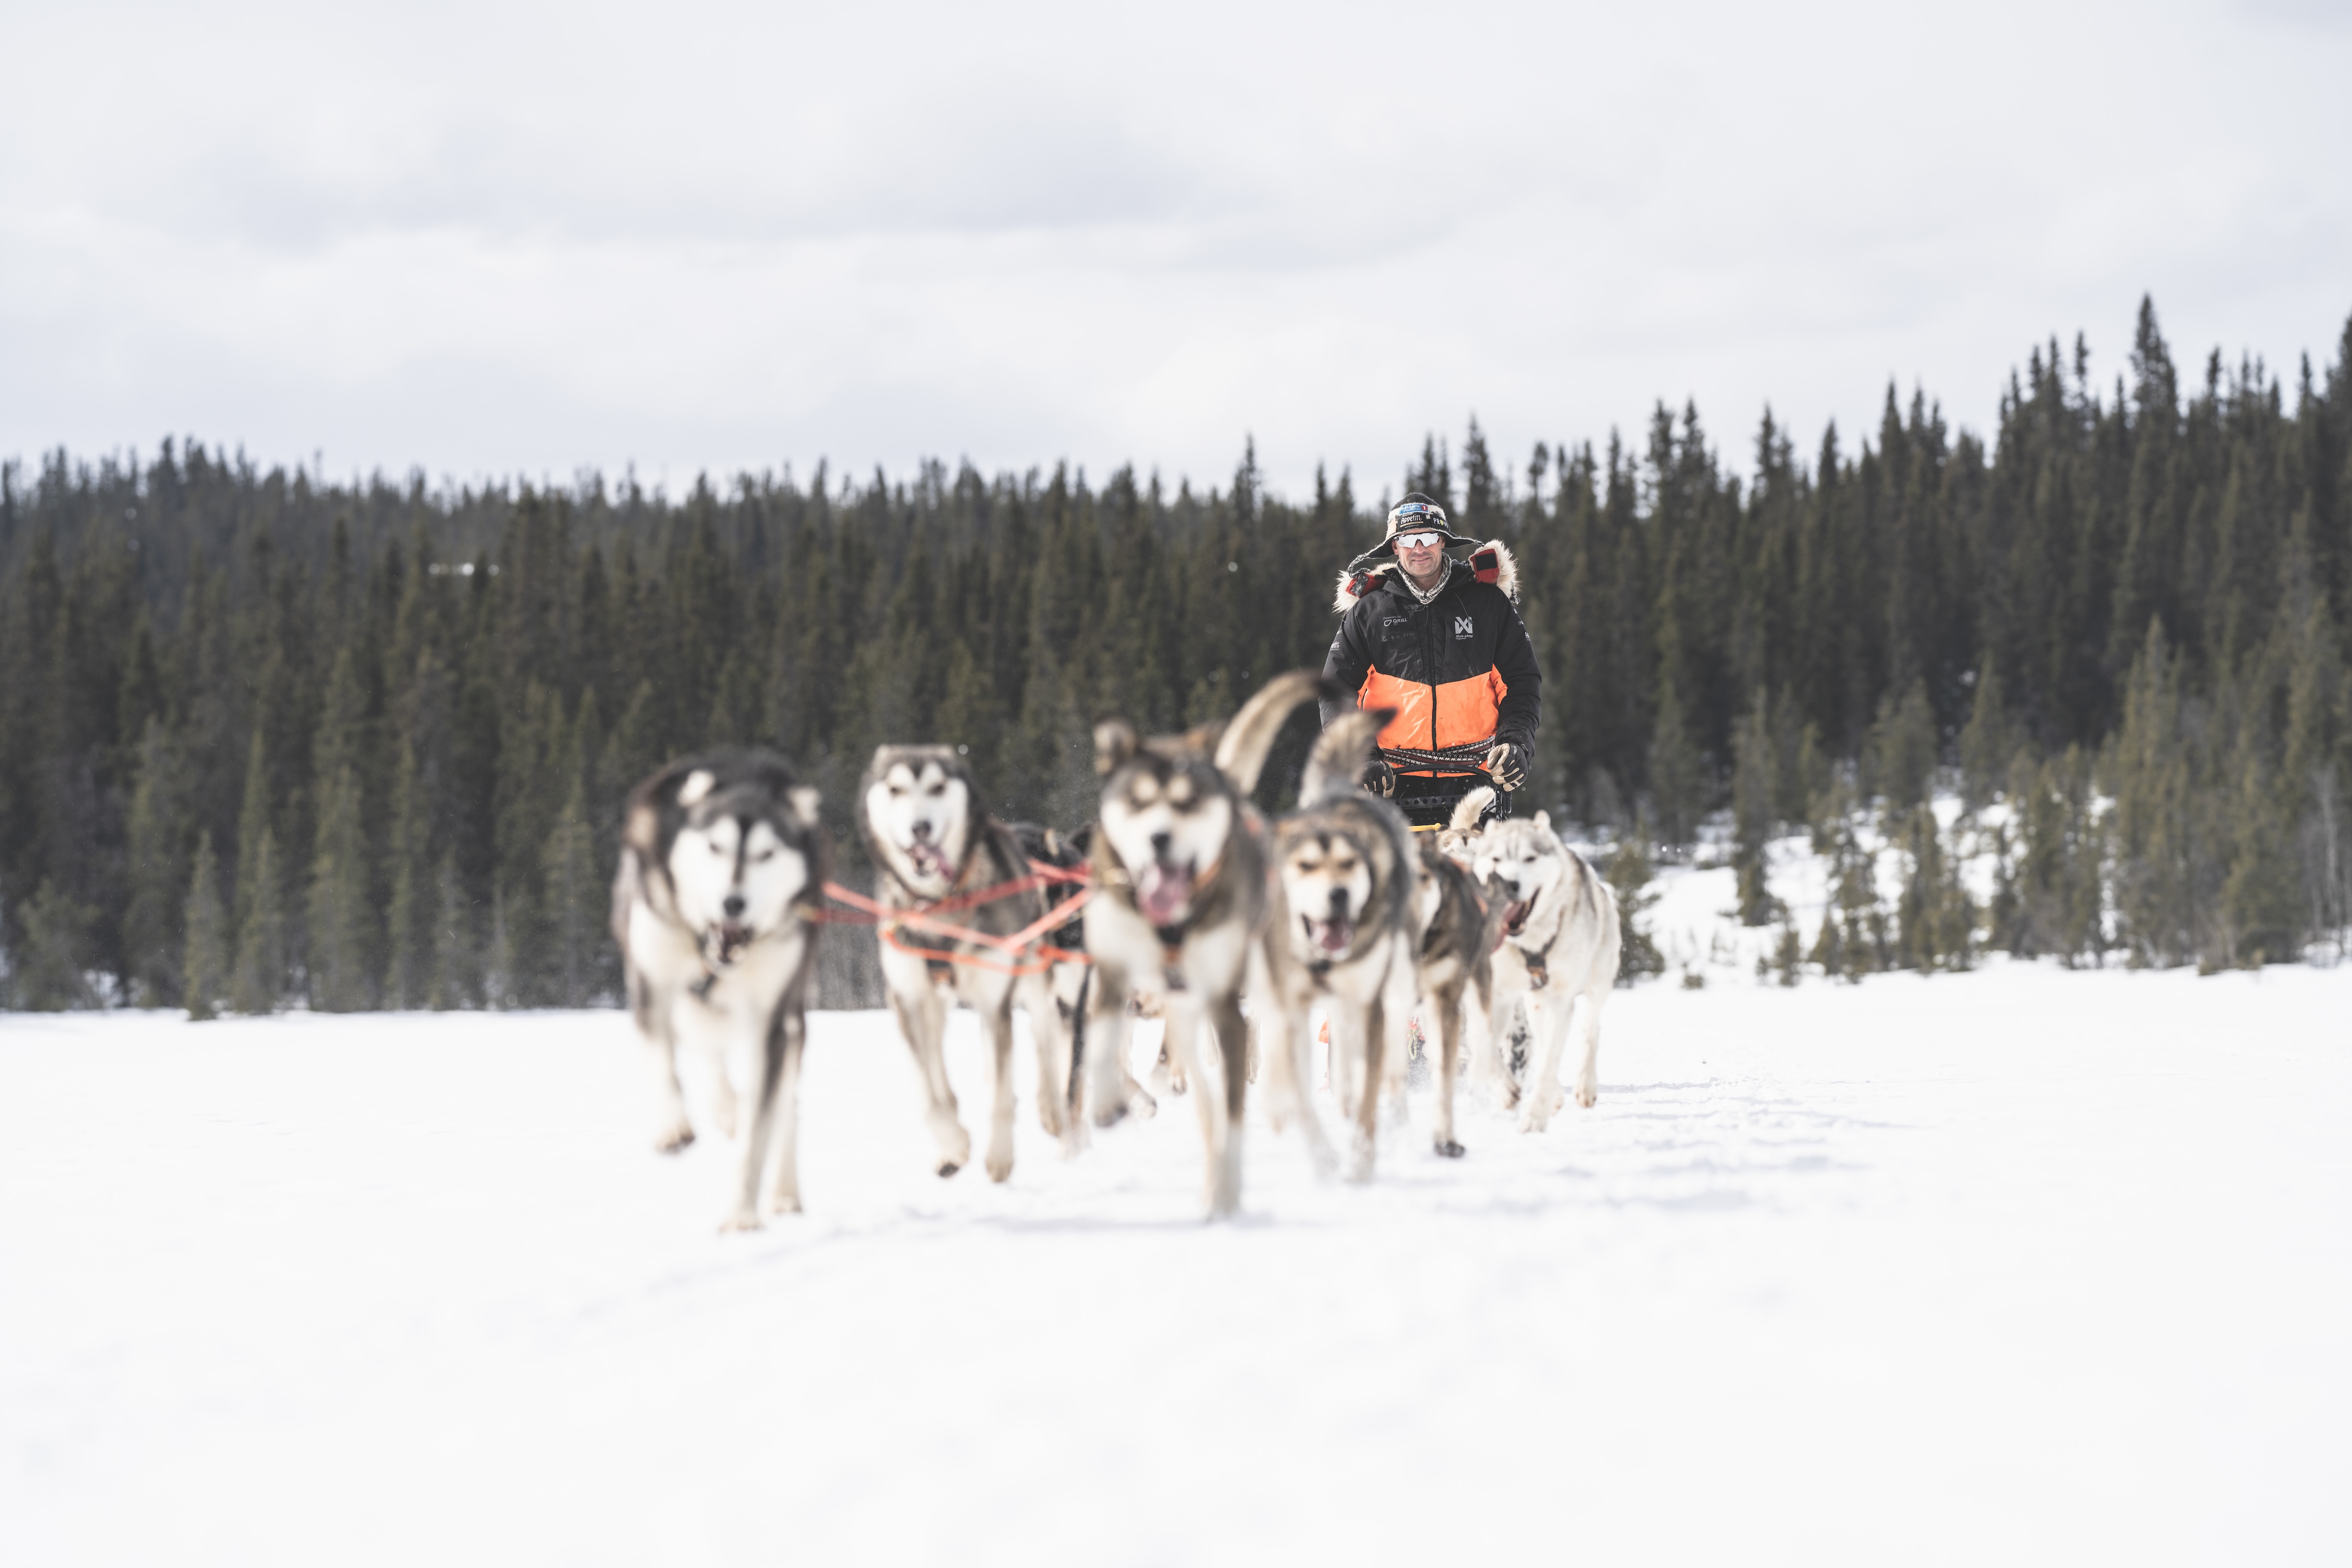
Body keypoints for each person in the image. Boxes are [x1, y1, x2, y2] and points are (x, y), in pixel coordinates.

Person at [1320, 493, 1541, 830]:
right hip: (1390, 783)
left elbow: (1522, 681)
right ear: (1395, 547)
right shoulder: (1368, 612)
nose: (1418, 548)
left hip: (1476, 779)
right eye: (1408, 539)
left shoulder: (1489, 604)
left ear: (1443, 541)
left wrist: (1516, 742)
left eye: (1427, 537)